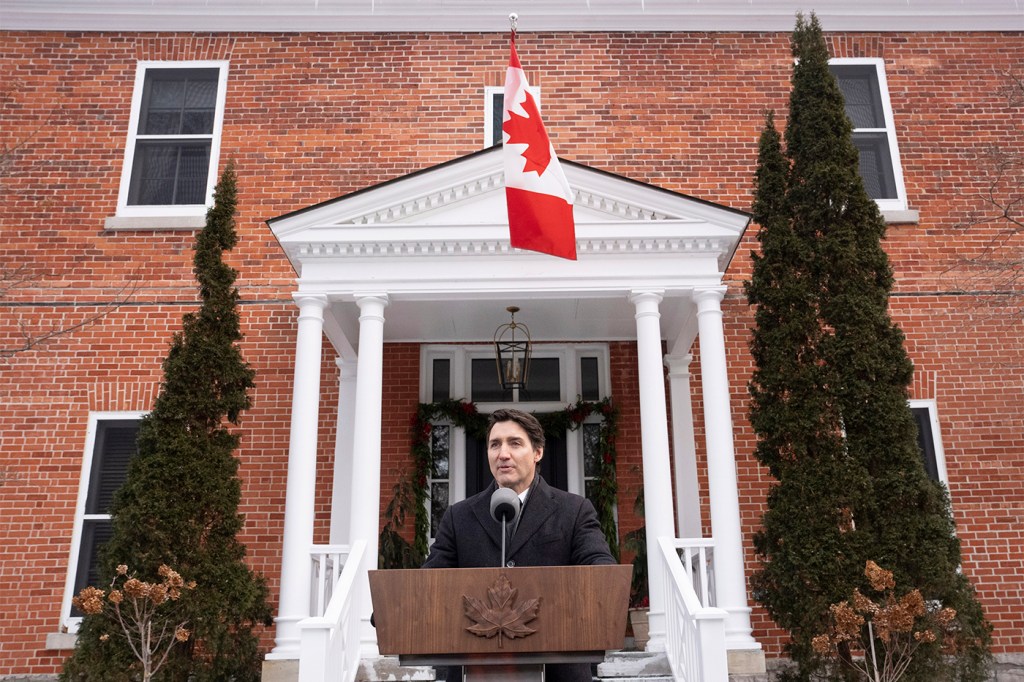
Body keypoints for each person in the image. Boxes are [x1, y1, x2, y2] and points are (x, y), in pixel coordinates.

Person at [423, 408, 616, 682]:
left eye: (515, 443)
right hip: (474, 670)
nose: (503, 453)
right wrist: (394, 611)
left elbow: (601, 575)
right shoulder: (459, 516)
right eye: (494, 444)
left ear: (538, 452)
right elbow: (429, 583)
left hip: (560, 671)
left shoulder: (574, 510)